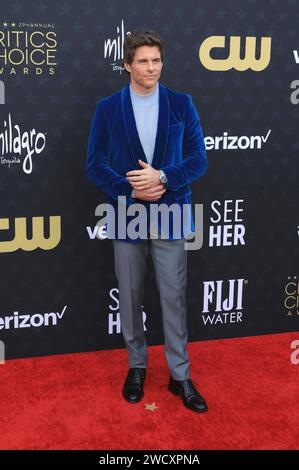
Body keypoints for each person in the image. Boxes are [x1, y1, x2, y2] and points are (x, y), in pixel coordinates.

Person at [87, 30, 208, 412]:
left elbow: (198, 160)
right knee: (131, 296)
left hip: (171, 213)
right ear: (127, 65)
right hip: (127, 214)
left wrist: (164, 177)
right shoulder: (108, 108)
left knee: (173, 296)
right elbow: (94, 166)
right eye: (143, 61)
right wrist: (130, 188)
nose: (151, 67)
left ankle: (180, 376)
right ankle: (136, 367)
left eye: (156, 60)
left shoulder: (181, 104)